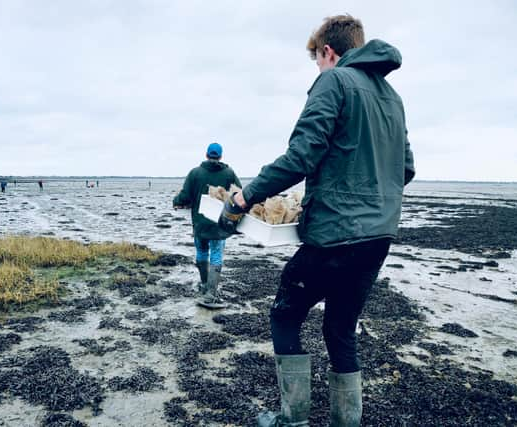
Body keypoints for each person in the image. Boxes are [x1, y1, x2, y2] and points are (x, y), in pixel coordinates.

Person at [219, 15, 415, 427]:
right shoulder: (392, 97)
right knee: (340, 329)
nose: (318, 70)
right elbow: (406, 168)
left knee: (285, 314)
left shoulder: (335, 81)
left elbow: (301, 157)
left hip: (335, 237)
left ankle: (293, 419)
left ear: (328, 52)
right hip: (379, 235)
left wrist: (245, 195)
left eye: (317, 61)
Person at [173, 142, 242, 309]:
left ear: (206, 155)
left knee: (201, 252)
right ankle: (211, 293)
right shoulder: (229, 173)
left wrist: (176, 201)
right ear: (220, 156)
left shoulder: (195, 173)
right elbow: (239, 194)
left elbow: (185, 196)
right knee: (216, 255)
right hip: (219, 225)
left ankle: (204, 285)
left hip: (199, 224)